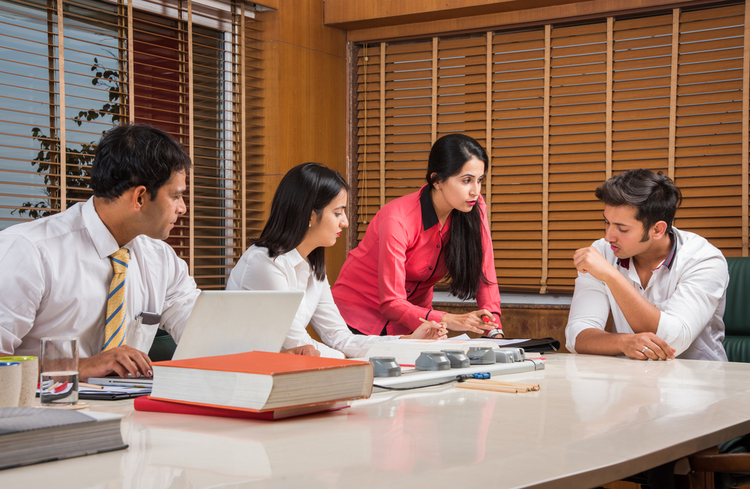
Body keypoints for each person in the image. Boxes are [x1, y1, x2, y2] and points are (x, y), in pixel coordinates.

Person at [0, 124, 309, 381]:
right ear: (140, 197)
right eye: (176, 196)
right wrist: (80, 368)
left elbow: (203, 330)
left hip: (133, 415)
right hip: (42, 419)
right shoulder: (29, 253)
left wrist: (273, 355)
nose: (183, 208)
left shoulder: (160, 259)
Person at [226, 162, 448, 359]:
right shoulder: (264, 264)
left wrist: (408, 341)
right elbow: (298, 345)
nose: (346, 223)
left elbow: (342, 338)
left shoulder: (312, 267)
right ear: (310, 215)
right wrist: (340, 356)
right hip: (238, 381)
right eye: (338, 213)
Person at [331, 133, 502, 338]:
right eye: (466, 180)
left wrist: (494, 331)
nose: (476, 191)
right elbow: (391, 302)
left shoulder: (474, 208)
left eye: (479, 180)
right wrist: (449, 319)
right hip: (358, 314)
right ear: (437, 180)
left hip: (415, 319)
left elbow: (486, 275)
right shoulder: (398, 219)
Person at [565, 168, 728, 362]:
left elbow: (674, 341)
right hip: (632, 381)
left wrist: (611, 275)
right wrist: (623, 342)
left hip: (699, 382)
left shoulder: (704, 259)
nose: (608, 236)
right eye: (607, 222)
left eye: (622, 229)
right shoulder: (602, 251)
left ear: (658, 229)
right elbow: (576, 336)